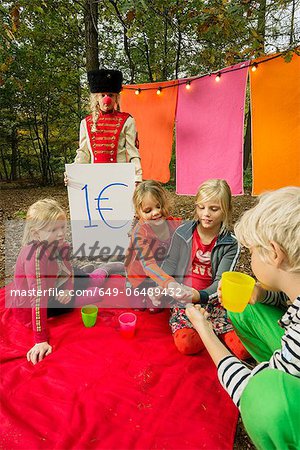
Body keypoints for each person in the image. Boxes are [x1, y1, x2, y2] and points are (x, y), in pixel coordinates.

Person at [185, 186, 300, 449]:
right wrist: (260, 293)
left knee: (265, 398)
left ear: (274, 253)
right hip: (291, 355)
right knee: (244, 307)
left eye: (253, 252)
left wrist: (205, 330)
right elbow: (285, 300)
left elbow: (247, 388)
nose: (250, 258)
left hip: (282, 399)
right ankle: (277, 367)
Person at [10, 199, 112, 365]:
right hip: (32, 306)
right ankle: (88, 286)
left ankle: (102, 271)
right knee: (75, 298)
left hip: (54, 281)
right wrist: (40, 339)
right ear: (36, 234)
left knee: (80, 277)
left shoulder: (59, 243)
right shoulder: (35, 257)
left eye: (63, 227)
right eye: (53, 229)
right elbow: (38, 298)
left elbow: (67, 268)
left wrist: (68, 288)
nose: (61, 233)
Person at [160, 179, 249, 358]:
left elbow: (220, 283)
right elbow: (169, 265)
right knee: (186, 344)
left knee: (242, 350)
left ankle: (209, 331)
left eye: (214, 209)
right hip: (183, 300)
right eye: (201, 207)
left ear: (226, 210)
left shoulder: (230, 244)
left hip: (213, 301)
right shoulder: (183, 232)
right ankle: (208, 334)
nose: (206, 214)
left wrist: (199, 295)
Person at [65, 68, 142, 185]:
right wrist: (73, 174)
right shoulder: (86, 122)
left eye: (111, 95)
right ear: (97, 98)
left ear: (116, 97)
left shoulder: (127, 120)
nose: (107, 99)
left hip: (120, 176)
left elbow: (133, 152)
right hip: (95, 176)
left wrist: (137, 177)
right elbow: (83, 153)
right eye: (103, 95)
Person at [125, 180, 183, 312]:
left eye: (158, 206)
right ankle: (125, 280)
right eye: (148, 210)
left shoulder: (174, 224)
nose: (156, 212)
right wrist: (169, 283)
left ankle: (154, 291)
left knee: (155, 309)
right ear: (139, 213)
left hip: (161, 273)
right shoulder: (140, 233)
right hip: (139, 273)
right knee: (138, 308)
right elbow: (148, 264)